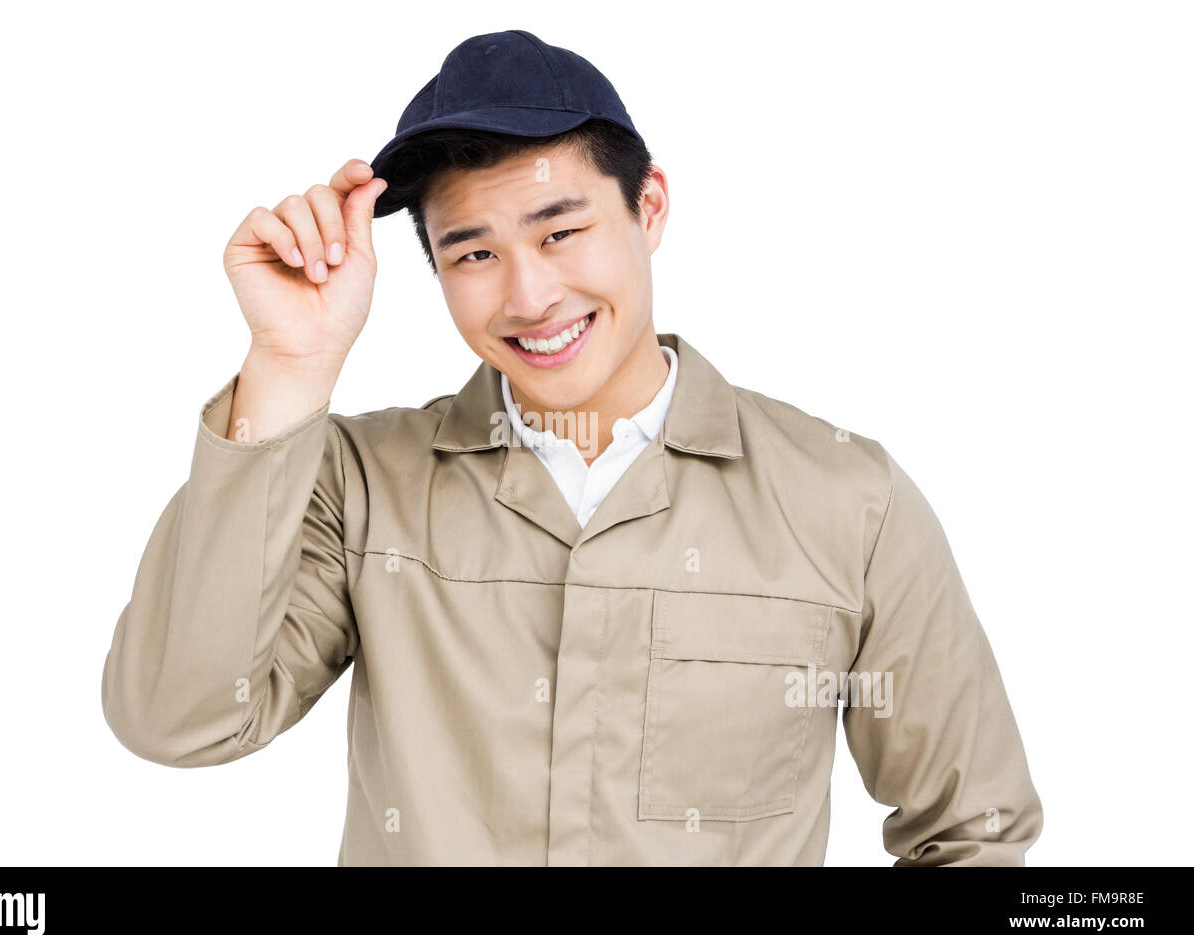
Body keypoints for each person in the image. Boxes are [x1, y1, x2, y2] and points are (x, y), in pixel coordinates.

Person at [101, 29, 1043, 866]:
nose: (530, 295)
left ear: (651, 208)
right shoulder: (359, 488)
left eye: (562, 229)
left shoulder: (849, 500)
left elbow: (974, 827)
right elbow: (179, 720)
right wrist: (286, 370)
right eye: (473, 253)